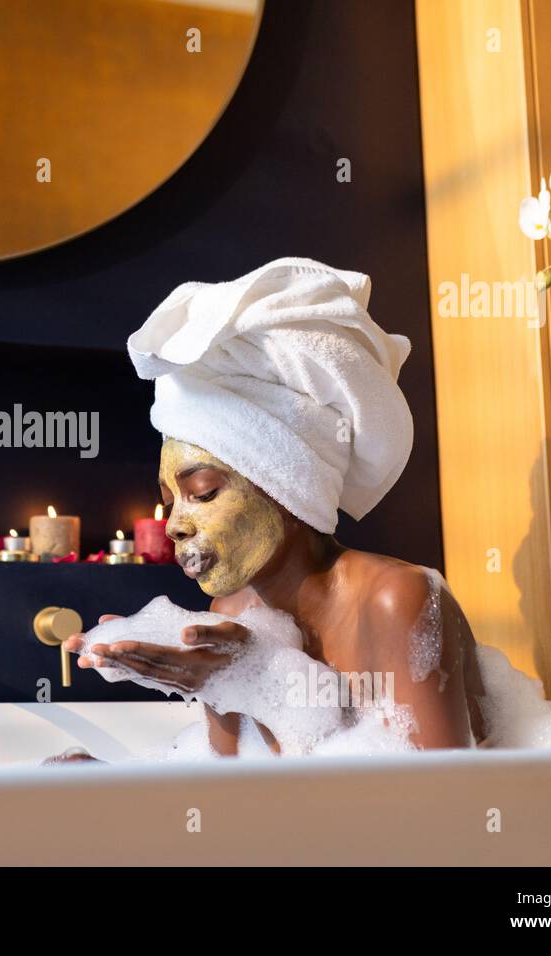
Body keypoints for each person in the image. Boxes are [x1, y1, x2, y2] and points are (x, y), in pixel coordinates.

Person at [54, 258, 485, 760]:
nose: (173, 525)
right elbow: (230, 800)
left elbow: (442, 811)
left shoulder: (396, 601)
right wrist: (221, 689)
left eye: (205, 491)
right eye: (169, 501)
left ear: (288, 487)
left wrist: (259, 682)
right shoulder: (230, 615)